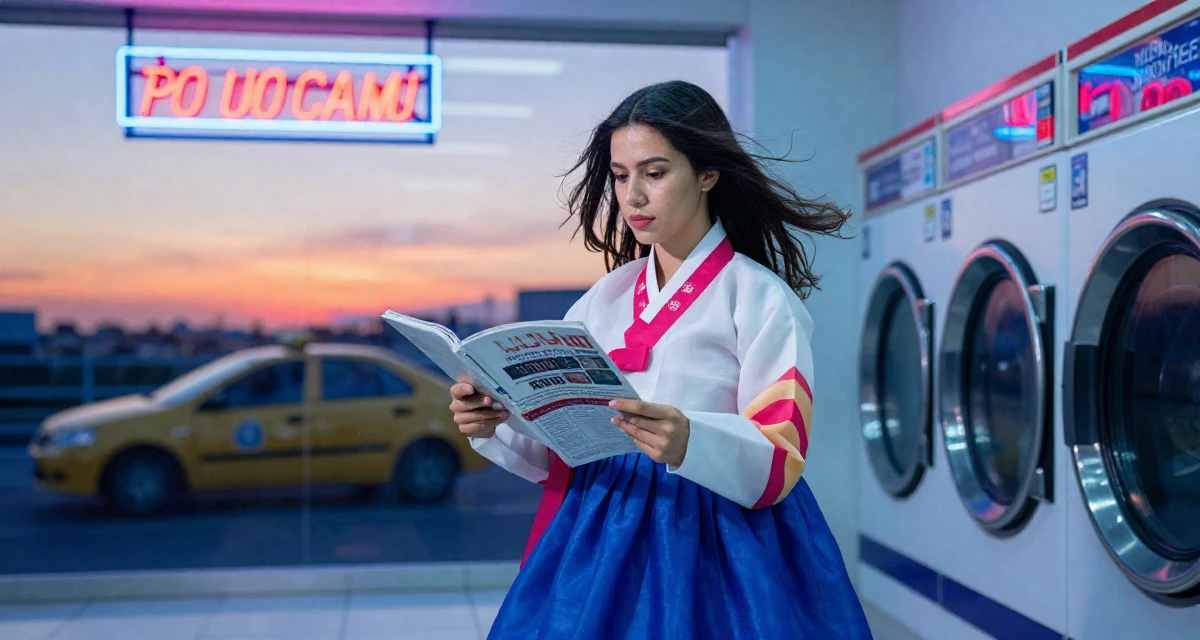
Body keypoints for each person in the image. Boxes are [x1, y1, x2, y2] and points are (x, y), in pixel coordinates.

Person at [449, 80, 873, 639]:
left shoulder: (760, 297)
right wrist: (497, 422)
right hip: (599, 527)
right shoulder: (602, 299)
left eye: (654, 173)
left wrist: (690, 438)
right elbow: (564, 447)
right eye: (621, 176)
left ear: (707, 173)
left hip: (719, 539)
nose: (633, 197)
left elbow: (781, 456)